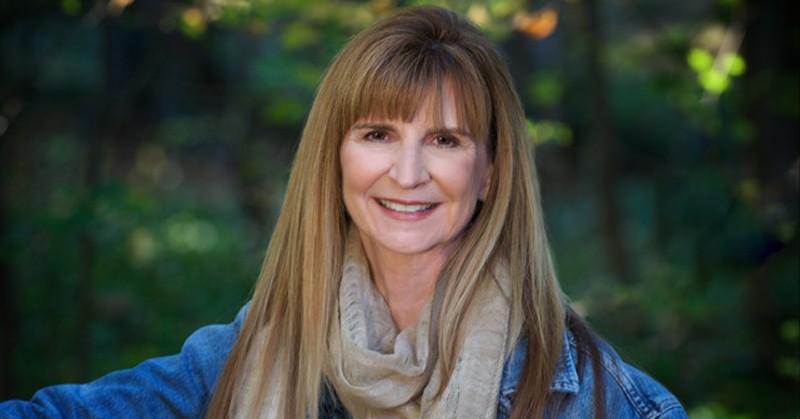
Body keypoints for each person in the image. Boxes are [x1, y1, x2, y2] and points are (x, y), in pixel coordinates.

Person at [1, 6, 687, 418]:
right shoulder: (255, 353)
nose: (408, 173)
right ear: (335, 156)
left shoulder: (592, 396)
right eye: (378, 134)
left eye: (445, 140)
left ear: (491, 172)